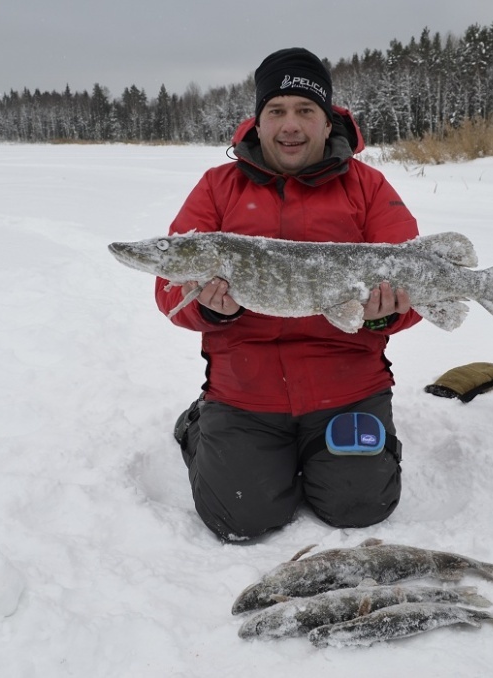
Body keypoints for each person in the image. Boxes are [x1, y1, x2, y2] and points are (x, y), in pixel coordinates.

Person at [157, 47, 422, 542]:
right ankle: (201, 425)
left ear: (328, 122)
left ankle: (330, 452)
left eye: (305, 110)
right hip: (246, 389)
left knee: (361, 506)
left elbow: (414, 280)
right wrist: (210, 312)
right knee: (239, 518)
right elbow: (169, 288)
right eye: (276, 111)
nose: (290, 124)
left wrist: (385, 317)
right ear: (257, 123)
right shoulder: (219, 188)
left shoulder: (366, 187)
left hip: (347, 385)